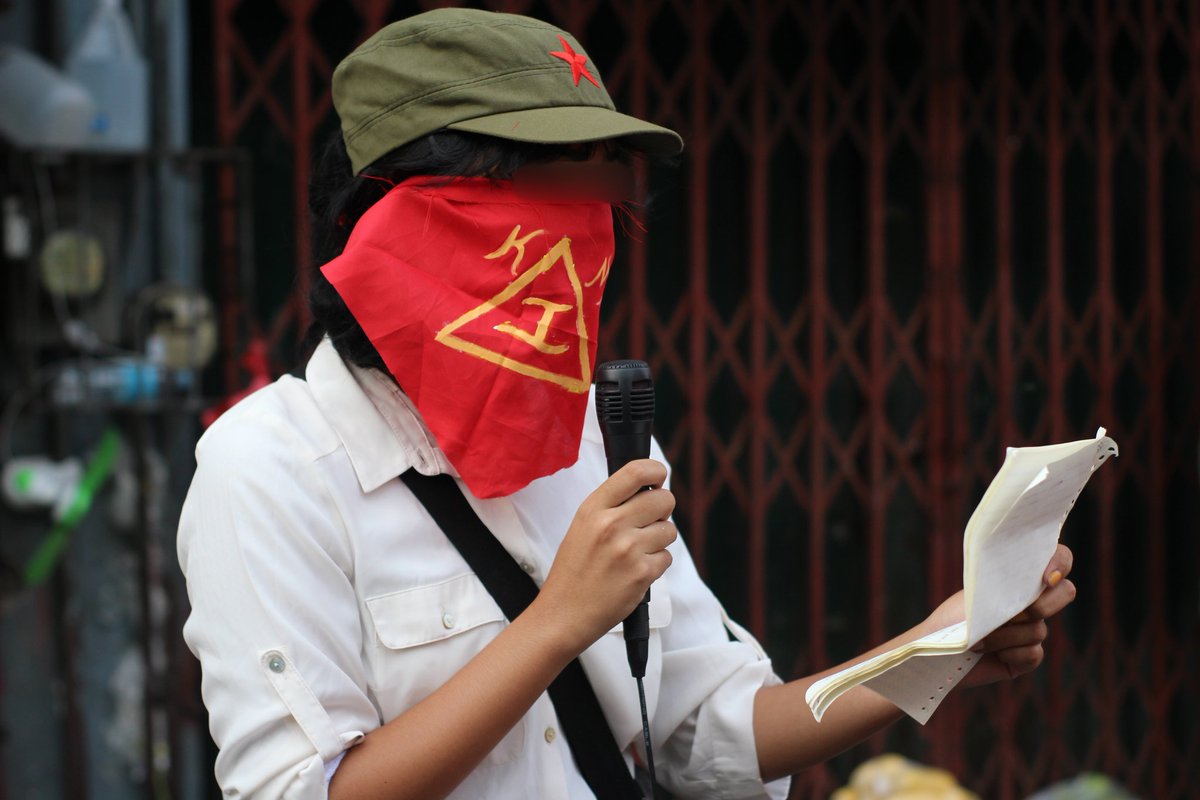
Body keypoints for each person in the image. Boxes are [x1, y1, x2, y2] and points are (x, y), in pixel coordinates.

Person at [176, 8, 1077, 799]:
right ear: (393, 217)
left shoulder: (582, 434)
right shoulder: (270, 467)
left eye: (603, 189)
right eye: (544, 187)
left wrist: (929, 650)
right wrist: (559, 621)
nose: (581, 236)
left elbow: (706, 733)